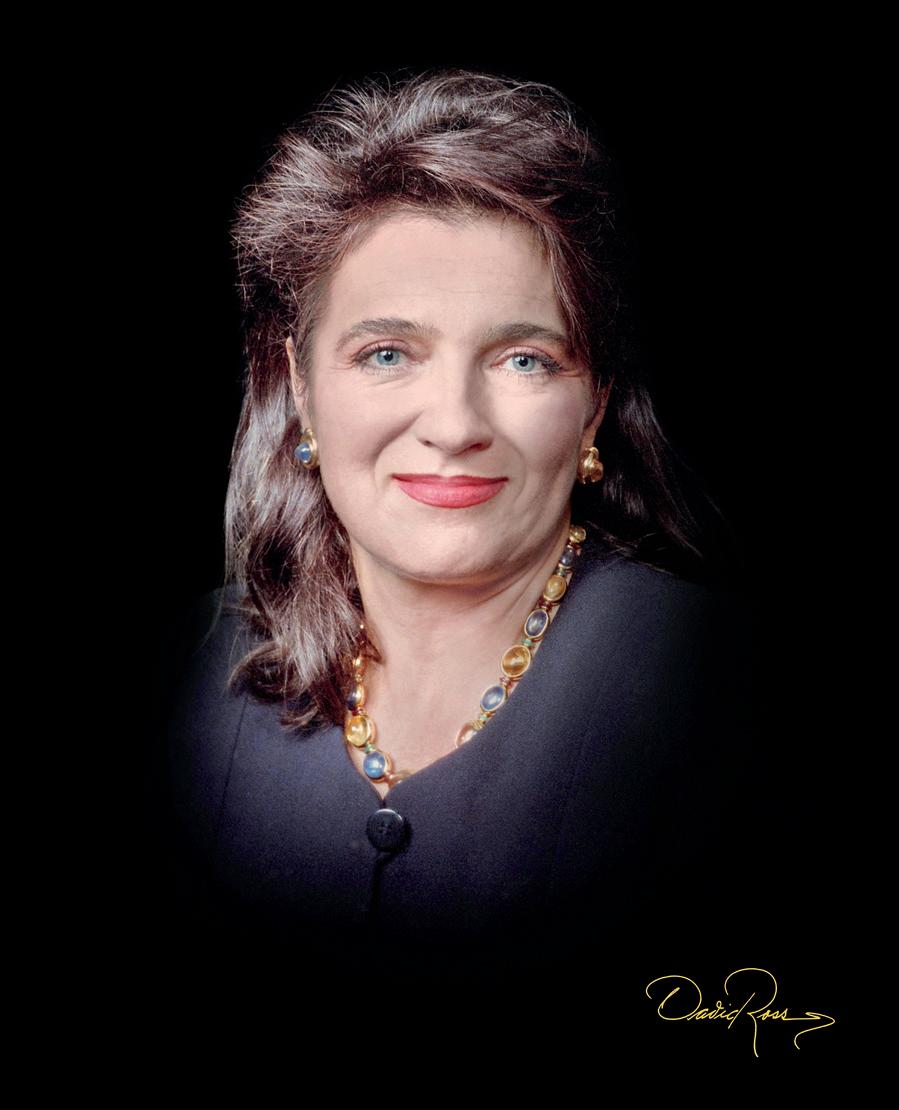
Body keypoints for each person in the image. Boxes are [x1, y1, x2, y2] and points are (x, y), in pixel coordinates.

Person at [153, 67, 754, 1023]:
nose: (455, 425)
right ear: (299, 387)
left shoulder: (728, 691)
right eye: (387, 353)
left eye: (523, 359)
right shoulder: (181, 678)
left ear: (593, 402)